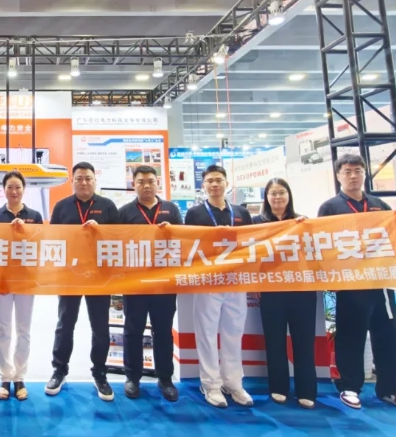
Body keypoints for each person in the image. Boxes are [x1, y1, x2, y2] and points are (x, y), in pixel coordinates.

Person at [319, 153, 396, 413]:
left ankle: (390, 389)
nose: (353, 176)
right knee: (350, 336)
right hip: (350, 284)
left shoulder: (379, 205)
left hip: (381, 282)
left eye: (358, 171)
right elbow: (320, 243)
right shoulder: (330, 207)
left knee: (387, 335)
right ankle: (349, 387)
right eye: (347, 171)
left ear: (364, 174)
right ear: (338, 175)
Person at [45, 162, 120, 401]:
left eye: (88, 178)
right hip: (70, 275)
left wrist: (101, 231)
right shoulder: (62, 206)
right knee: (65, 323)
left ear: (95, 180)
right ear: (72, 181)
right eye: (79, 178)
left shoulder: (107, 206)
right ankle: (59, 370)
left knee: (100, 326)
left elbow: (119, 238)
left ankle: (100, 373)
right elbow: (52, 239)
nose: (84, 182)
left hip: (99, 275)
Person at [182, 164, 255, 408]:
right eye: (210, 181)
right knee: (207, 333)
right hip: (208, 281)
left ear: (227, 183)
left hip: (235, 280)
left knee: (233, 332)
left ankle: (233, 382)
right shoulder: (194, 214)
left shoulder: (241, 213)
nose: (215, 184)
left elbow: (251, 242)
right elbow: (187, 245)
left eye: (219, 180)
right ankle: (211, 384)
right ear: (203, 185)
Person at [116, 165, 183, 402]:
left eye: (151, 181)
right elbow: (114, 243)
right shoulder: (124, 212)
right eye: (141, 182)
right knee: (133, 330)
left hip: (163, 283)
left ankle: (165, 378)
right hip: (135, 282)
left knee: (163, 330)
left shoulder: (171, 209)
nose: (146, 186)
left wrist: (172, 232)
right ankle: (132, 377)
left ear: (158, 183)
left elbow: (184, 240)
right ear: (133, 184)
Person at [254, 177, 317, 409]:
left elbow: (315, 252)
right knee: (274, 341)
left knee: (304, 340)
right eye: (273, 193)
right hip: (271, 290)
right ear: (266, 197)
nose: (277, 197)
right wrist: (255, 283)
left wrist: (307, 228)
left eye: (281, 192)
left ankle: (306, 390)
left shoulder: (302, 221)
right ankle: (278, 387)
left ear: (289, 195)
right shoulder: (256, 223)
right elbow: (250, 256)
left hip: (302, 289)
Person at [0, 171, 44, 401]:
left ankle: (19, 376)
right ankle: (5, 376)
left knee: (23, 330)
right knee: (3, 330)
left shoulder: (34, 216)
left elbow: (41, 245)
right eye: (10, 187)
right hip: (2, 279)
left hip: (26, 279)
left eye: (18, 187)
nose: (14, 191)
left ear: (24, 189)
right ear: (3, 190)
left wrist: (25, 233)